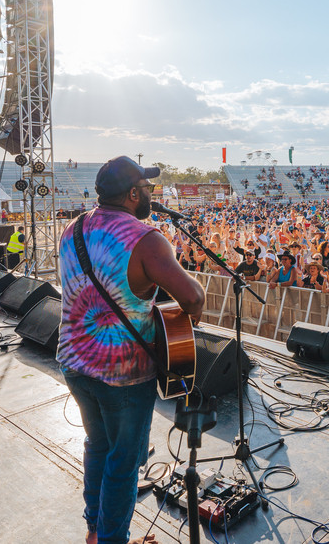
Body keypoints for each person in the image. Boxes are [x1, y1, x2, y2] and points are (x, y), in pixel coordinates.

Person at [57, 156, 204, 544]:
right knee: (123, 463)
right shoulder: (146, 238)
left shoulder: (72, 228)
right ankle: (112, 540)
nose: (153, 195)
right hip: (121, 373)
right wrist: (190, 315)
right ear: (133, 194)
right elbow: (192, 295)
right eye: (148, 188)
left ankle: (95, 530)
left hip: (73, 360)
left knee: (98, 446)